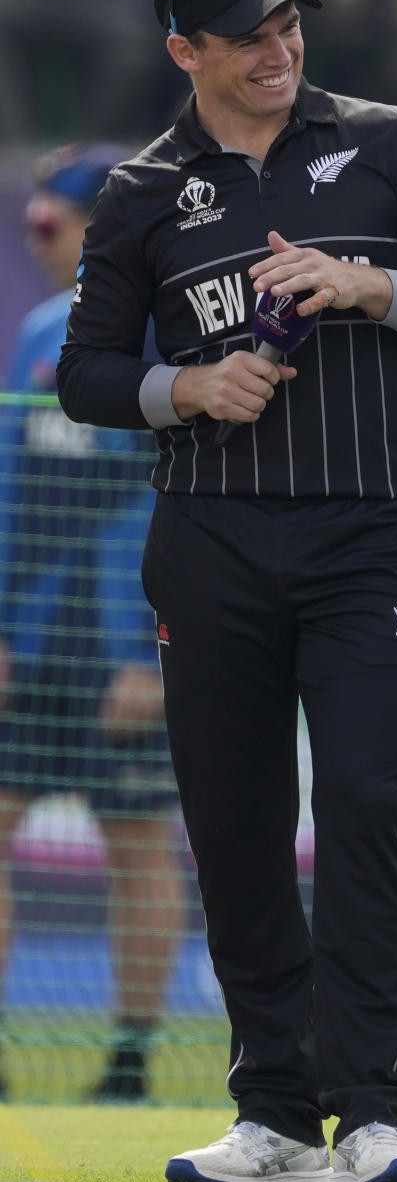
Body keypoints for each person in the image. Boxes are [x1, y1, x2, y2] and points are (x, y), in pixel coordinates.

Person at [57, 0, 397, 1182]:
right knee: (239, 823)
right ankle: (273, 1112)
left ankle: (371, 1114)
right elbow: (85, 373)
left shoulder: (385, 141)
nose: (279, 46)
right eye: (247, 33)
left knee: (366, 802)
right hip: (209, 540)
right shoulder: (144, 189)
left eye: (287, 21)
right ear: (183, 49)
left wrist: (374, 290)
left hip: (370, 534)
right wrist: (188, 390)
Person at [0, 144, 183, 1103]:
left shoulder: (163, 341)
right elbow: (10, 496)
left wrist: (151, 648)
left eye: (50, 222)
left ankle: (128, 1056)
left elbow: (175, 503)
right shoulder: (36, 334)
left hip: (123, 653)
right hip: (31, 647)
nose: (39, 238)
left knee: (137, 841)